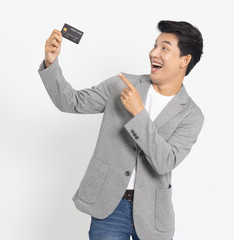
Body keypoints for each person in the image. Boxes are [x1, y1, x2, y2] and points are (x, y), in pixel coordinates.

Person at [38, 20, 204, 240]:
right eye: (155, 45)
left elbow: (165, 161)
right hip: (109, 207)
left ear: (185, 60)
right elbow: (71, 102)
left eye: (164, 48)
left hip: (153, 215)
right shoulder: (122, 85)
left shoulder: (191, 115)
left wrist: (138, 113)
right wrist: (51, 63)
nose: (154, 53)